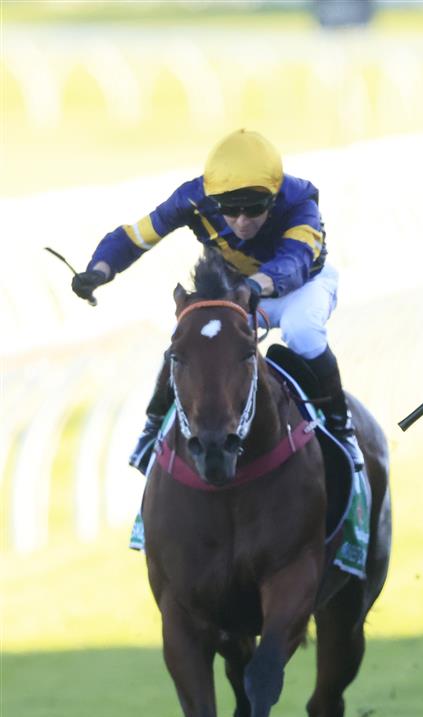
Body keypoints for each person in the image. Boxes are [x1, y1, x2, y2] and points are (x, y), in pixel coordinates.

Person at [73, 129, 358, 472]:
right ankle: (152, 428)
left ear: (274, 194)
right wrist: (99, 271)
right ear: (212, 198)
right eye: (229, 210)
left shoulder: (298, 200)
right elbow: (135, 237)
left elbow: (294, 261)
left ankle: (343, 427)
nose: (241, 221)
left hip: (303, 287)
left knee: (303, 331)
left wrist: (253, 286)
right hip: (241, 290)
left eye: (254, 209)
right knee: (191, 337)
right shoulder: (192, 198)